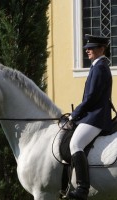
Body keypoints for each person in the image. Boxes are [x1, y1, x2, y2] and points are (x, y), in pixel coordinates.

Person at [68, 34, 112, 200]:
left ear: (102, 49)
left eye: (92, 48)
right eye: (87, 48)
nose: (88, 51)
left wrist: (74, 115)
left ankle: (82, 188)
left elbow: (91, 97)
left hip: (96, 117)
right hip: (93, 114)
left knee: (75, 144)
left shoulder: (100, 67)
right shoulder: (97, 66)